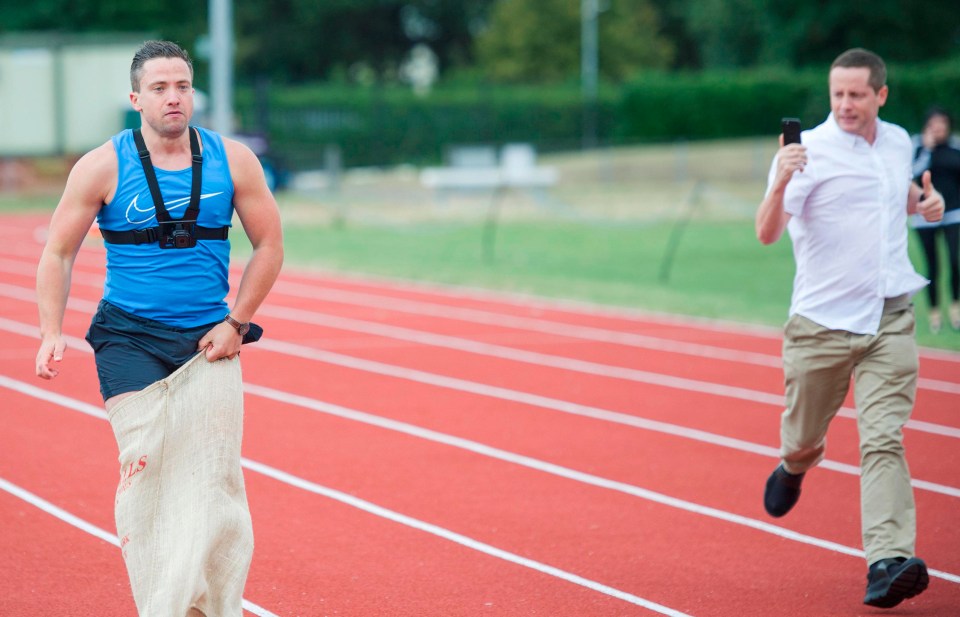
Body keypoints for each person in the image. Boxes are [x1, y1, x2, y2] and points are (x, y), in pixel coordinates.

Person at [34, 40, 283, 615]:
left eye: (183, 87)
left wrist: (237, 323)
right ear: (135, 98)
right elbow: (58, 253)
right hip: (128, 338)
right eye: (159, 88)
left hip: (209, 343)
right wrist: (52, 330)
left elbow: (270, 244)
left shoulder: (234, 161)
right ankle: (164, 605)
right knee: (145, 469)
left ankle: (212, 604)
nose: (173, 98)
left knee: (213, 486)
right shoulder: (101, 165)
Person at [755, 48, 944, 609]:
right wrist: (777, 183)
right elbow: (767, 233)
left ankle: (886, 561)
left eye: (857, 94)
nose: (845, 105)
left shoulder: (897, 141)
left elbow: (896, 192)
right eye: (837, 94)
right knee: (805, 434)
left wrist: (925, 202)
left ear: (880, 95)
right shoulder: (805, 152)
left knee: (883, 437)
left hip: (890, 317)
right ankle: (795, 463)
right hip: (821, 324)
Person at [911, 106, 960, 332]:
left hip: (953, 212)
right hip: (924, 216)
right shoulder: (916, 145)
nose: (939, 128)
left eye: (943, 123)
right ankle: (934, 315)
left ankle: (955, 308)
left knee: (954, 261)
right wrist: (928, 150)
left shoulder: (955, 146)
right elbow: (910, 175)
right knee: (933, 266)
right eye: (934, 123)